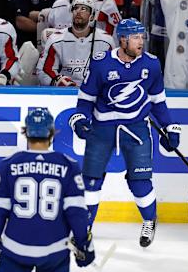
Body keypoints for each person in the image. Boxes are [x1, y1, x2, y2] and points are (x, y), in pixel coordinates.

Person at [68, 18, 181, 248]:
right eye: (136, 37)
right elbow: (85, 101)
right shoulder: (101, 64)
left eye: (142, 37)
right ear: (123, 39)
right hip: (102, 130)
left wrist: (170, 127)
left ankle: (150, 220)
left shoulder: (151, 64)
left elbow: (158, 102)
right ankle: (85, 227)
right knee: (91, 180)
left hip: (137, 129)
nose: (141, 42)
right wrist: (80, 120)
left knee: (140, 182)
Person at [0, 107, 95, 272]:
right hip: (55, 252)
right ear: (51, 133)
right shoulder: (69, 165)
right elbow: (76, 211)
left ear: (26, 132)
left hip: (14, 250)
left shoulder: (9, 164)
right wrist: (83, 243)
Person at [36, 0, 115, 86]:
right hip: (65, 92)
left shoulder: (106, 40)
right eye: (76, 8)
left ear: (92, 16)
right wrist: (59, 82)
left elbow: (112, 70)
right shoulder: (55, 39)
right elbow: (44, 70)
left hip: (94, 91)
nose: (78, 11)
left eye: (84, 9)